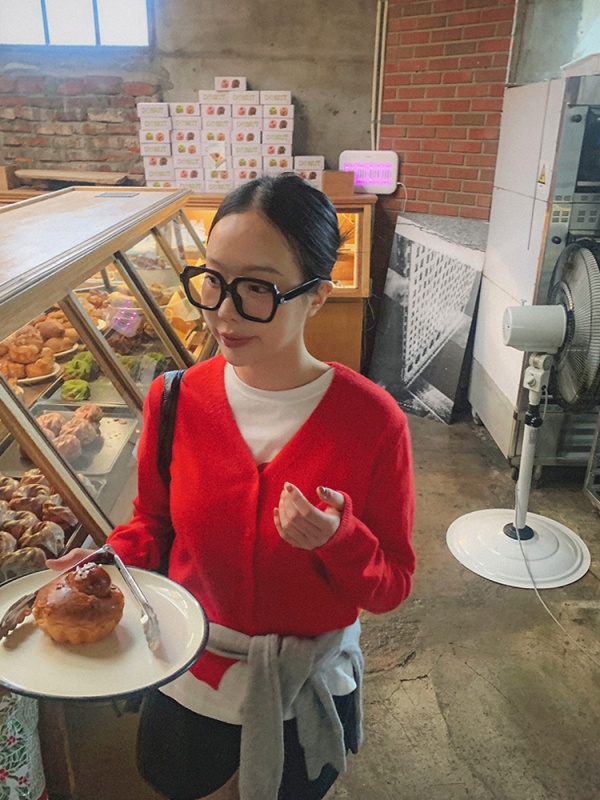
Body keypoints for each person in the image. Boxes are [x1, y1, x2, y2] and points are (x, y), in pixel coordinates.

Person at [49, 174, 416, 800]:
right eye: (213, 279)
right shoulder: (174, 400)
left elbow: (391, 585)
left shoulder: (374, 422)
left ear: (318, 295)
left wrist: (338, 540)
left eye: (257, 288)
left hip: (303, 690)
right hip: (191, 674)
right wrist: (105, 561)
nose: (223, 310)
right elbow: (153, 526)